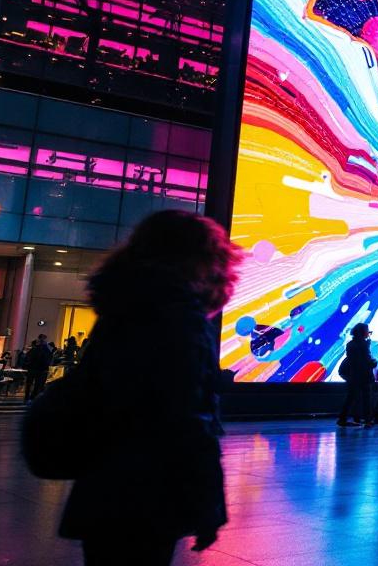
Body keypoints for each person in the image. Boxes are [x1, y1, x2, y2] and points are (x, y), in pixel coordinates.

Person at [57, 210, 236, 565]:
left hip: (103, 486)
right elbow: (186, 421)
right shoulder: (180, 319)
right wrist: (207, 506)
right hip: (151, 492)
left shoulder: (121, 310)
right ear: (199, 259)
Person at [337, 323, 376, 428]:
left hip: (354, 375)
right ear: (363, 332)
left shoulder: (350, 344)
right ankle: (368, 420)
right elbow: (366, 360)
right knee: (367, 398)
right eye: (368, 331)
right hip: (365, 376)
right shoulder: (364, 345)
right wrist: (374, 362)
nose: (369, 333)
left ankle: (342, 418)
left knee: (351, 398)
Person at [24, 335, 54, 402]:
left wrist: (28, 365)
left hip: (34, 369)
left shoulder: (35, 349)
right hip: (40, 369)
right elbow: (49, 358)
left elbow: (28, 357)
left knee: (30, 384)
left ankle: (28, 397)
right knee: (36, 384)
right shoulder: (46, 350)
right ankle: (32, 397)